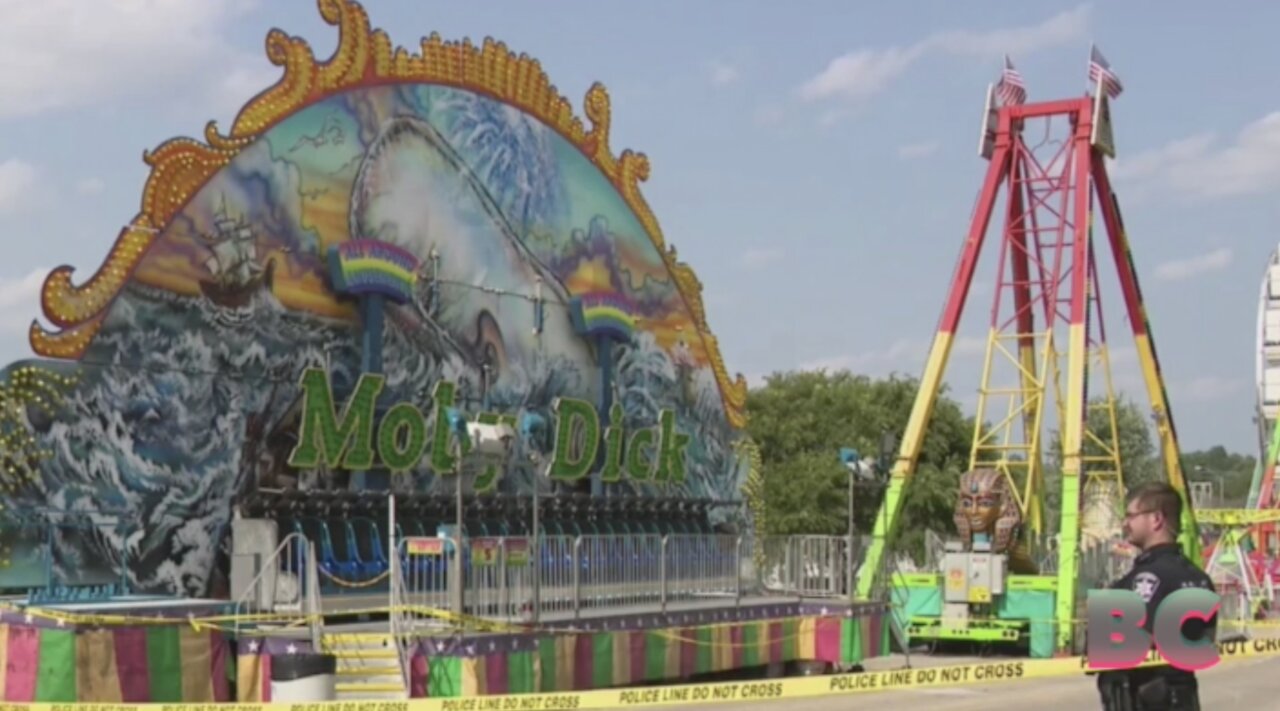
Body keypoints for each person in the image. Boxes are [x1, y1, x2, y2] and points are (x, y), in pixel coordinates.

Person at [1096, 482, 1216, 710]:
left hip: (1142, 697)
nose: (1125, 523)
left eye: (1131, 516)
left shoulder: (1145, 578)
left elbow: (1112, 648)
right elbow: (1206, 640)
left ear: (1156, 519)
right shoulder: (1199, 577)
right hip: (1183, 697)